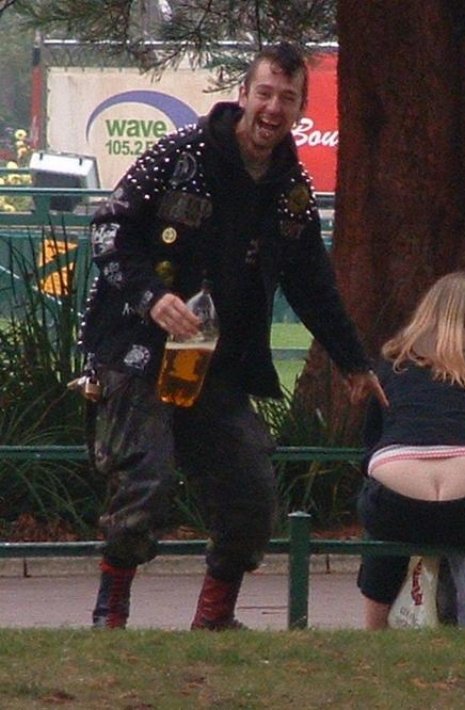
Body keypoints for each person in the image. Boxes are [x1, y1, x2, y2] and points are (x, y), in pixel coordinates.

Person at [79, 41, 387, 630]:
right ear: (243, 94)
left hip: (216, 364)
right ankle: (109, 616)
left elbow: (313, 285)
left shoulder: (292, 190)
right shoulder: (179, 154)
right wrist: (153, 297)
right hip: (136, 353)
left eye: (287, 98)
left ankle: (214, 620)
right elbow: (108, 230)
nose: (273, 109)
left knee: (252, 491)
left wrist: (354, 362)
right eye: (264, 93)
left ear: (300, 110)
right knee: (145, 483)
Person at [357, 271, 465, 628]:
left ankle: (373, 627)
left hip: (397, 501)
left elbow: (371, 443)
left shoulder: (391, 363)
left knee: (383, 527)